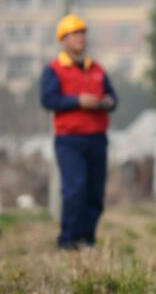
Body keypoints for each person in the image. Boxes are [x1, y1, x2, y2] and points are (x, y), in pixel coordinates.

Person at [40, 13, 117, 250]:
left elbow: (113, 98)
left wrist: (106, 102)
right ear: (63, 40)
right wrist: (78, 101)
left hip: (97, 139)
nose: (80, 37)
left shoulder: (97, 69)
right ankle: (68, 241)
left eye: (82, 33)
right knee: (75, 190)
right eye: (74, 34)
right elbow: (49, 99)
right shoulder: (54, 70)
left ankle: (87, 240)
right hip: (70, 140)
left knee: (95, 193)